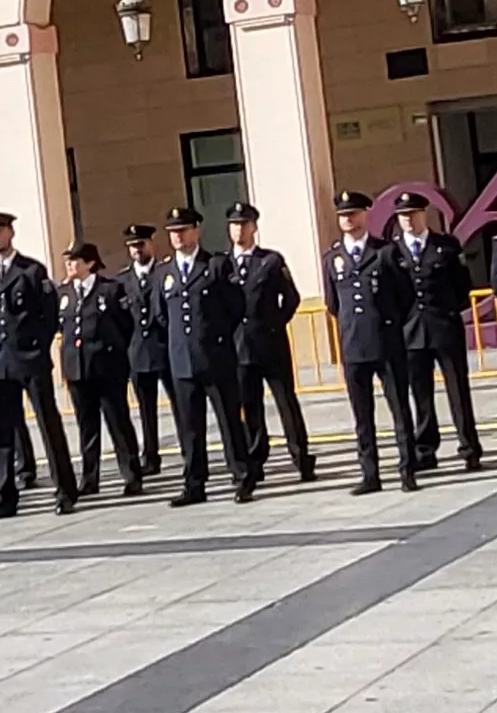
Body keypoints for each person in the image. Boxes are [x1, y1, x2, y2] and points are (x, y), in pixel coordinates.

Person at [0, 212, 74, 517]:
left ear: (10, 233)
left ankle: (65, 489)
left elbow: (48, 314)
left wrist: (37, 347)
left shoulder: (30, 270)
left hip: (28, 359)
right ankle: (6, 495)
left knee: (48, 424)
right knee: (3, 430)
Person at [154, 207, 252, 505]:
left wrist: (217, 338)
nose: (178, 236)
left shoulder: (215, 266)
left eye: (183, 230)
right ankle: (194, 483)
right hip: (182, 361)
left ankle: (242, 476)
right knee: (189, 427)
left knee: (229, 420)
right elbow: (161, 316)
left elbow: (236, 307)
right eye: (173, 232)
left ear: (197, 230)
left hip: (215, 357)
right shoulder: (165, 272)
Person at [324, 191, 419, 495]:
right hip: (353, 345)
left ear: (365, 214)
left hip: (386, 341)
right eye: (343, 215)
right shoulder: (333, 257)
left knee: (399, 408)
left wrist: (388, 322)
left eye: (354, 213)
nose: (348, 219)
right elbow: (333, 303)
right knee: (362, 415)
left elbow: (406, 296)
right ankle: (370, 474)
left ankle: (407, 469)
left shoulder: (385, 252)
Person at [388, 191, 481, 475]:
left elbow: (462, 286)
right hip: (411, 330)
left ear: (423, 214)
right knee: (420, 392)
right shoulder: (392, 252)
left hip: (444, 326)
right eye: (403, 216)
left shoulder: (446, 245)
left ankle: (469, 447)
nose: (408, 220)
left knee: (458, 390)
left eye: (413, 214)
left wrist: (448, 311)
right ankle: (425, 449)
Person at [226, 204, 314, 487]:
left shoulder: (271, 261)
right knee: (249, 406)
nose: (239, 229)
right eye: (235, 224)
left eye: (245, 224)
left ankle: (301, 457)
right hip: (238, 346)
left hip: (270, 342)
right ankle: (255, 459)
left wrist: (275, 324)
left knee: (285, 401)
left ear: (254, 227)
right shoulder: (222, 264)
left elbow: (291, 298)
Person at [57, 242, 142, 498]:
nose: (70, 265)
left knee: (118, 422)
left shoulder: (110, 290)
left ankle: (131, 475)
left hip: (106, 368)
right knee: (87, 426)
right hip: (77, 368)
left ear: (90, 263)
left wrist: (114, 354)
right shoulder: (63, 293)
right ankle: (90, 478)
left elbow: (126, 326)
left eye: (75, 260)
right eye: (68, 260)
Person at [118, 224, 168, 478]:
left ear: (151, 244)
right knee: (146, 409)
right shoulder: (122, 280)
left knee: (181, 406)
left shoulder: (164, 273)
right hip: (137, 351)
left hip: (166, 349)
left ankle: (191, 454)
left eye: (141, 244)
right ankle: (150, 456)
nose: (137, 250)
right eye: (132, 246)